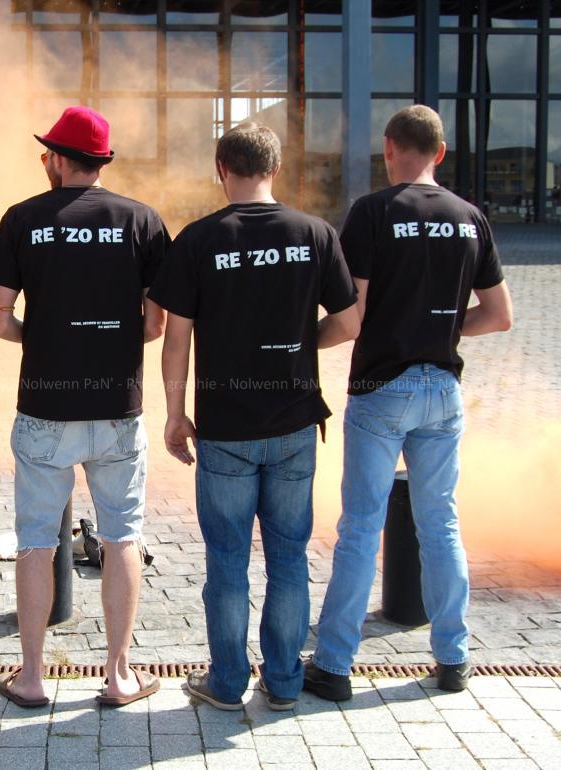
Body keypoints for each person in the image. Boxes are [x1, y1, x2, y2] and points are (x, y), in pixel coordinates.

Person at [305, 105, 513, 700]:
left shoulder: (373, 213)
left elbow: (353, 317)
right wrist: (440, 333)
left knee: (360, 529)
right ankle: (453, 659)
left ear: (390, 148)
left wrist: (302, 351)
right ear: (441, 154)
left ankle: (336, 666)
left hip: (381, 391)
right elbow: (500, 316)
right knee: (440, 523)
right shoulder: (471, 218)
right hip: (442, 392)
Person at [150, 123, 360, 711]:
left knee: (227, 561)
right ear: (275, 168)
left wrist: (175, 414)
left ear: (222, 169)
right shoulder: (315, 234)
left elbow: (176, 342)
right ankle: (287, 683)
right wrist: (300, 343)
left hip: (226, 429)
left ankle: (225, 684)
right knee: (289, 559)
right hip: (295, 426)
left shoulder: (196, 240)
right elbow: (348, 323)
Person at [0, 106, 169, 708]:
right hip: (117, 406)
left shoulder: (21, 219)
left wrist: (40, 337)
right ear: (102, 161)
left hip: (44, 407)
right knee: (122, 538)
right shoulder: (140, 220)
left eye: (47, 155)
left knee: (37, 542)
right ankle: (118, 676)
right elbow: (155, 324)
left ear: (59, 160)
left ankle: (32, 676)